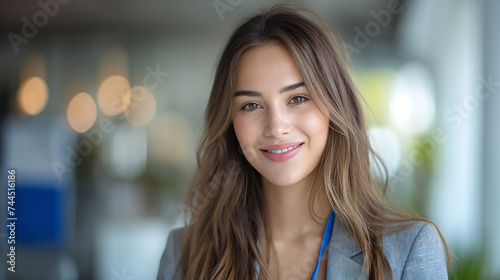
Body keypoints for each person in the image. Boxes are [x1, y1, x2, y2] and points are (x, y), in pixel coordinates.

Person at [157, 4, 449, 280]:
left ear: (335, 108)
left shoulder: (409, 250)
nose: (276, 127)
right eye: (251, 105)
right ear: (229, 122)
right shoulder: (185, 252)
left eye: (297, 99)